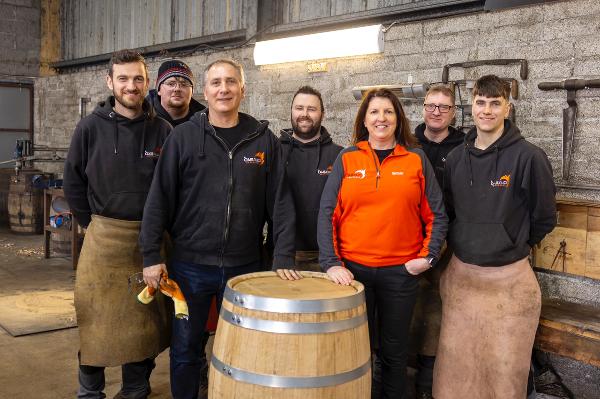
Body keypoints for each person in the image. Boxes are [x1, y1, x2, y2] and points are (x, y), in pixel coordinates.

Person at [139, 59, 293, 399]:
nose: (223, 89)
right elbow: (158, 200)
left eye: (231, 82)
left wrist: (282, 256)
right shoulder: (183, 138)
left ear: (243, 89)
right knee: (186, 349)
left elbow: (280, 205)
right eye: (216, 83)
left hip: (244, 267)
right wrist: (151, 254)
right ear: (205, 92)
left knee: (241, 348)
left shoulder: (263, 141)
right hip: (189, 266)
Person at [318, 88, 448, 399]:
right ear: (364, 119)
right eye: (375, 112)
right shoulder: (347, 158)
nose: (381, 118)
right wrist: (332, 262)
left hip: (400, 274)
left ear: (398, 119)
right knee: (355, 353)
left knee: (394, 354)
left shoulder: (416, 160)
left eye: (388, 112)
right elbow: (326, 214)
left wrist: (428, 258)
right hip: (352, 276)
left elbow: (437, 215)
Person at [433, 75, 557, 399]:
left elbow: (545, 217)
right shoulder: (456, 160)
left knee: (504, 377)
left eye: (495, 103)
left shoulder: (530, 157)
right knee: (454, 376)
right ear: (471, 107)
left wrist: (513, 241)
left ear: (507, 107)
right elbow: (449, 211)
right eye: (480, 102)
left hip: (509, 283)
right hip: (462, 280)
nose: (486, 110)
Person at [63, 49, 172, 399]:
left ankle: (135, 389)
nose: (131, 85)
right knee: (95, 324)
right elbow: (72, 182)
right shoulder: (90, 127)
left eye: (137, 78)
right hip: (103, 241)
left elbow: (172, 188)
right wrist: (93, 224)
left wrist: (156, 235)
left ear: (146, 82)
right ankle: (90, 392)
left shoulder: (163, 130)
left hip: (149, 242)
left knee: (144, 325)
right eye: (123, 78)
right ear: (110, 82)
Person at [412, 84, 463, 399]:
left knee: (435, 316)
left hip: (446, 246)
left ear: (453, 112)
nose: (436, 111)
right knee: (404, 312)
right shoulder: (407, 144)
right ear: (423, 108)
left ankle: (426, 387)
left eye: (444, 107)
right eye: (431, 105)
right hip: (406, 241)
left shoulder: (464, 149)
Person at [274, 85, 343, 280]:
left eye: (311, 109)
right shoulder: (275, 152)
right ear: (291, 111)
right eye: (299, 108)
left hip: (327, 259)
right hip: (284, 257)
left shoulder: (338, 155)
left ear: (323, 114)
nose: (304, 114)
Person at [146, 59, 206, 126]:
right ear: (159, 90)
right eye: (171, 84)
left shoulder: (205, 122)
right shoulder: (143, 119)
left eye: (184, 84)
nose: (177, 89)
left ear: (192, 91)